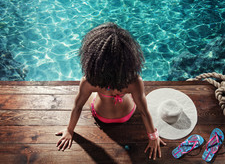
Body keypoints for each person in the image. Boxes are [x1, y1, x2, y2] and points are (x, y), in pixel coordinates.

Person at [56, 22, 166, 160]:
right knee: (137, 98)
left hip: (101, 116)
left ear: (94, 61)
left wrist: (69, 130)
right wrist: (153, 136)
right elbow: (144, 111)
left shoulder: (89, 82)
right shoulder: (134, 82)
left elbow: (77, 107)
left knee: (91, 95)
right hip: (128, 114)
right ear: (129, 60)